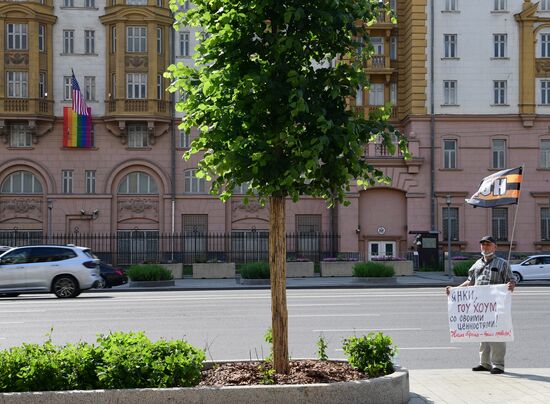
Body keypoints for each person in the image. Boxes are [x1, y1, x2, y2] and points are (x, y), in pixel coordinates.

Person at [445, 235, 515, 374]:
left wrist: (511, 285)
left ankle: (498, 365)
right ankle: (484, 363)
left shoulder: (502, 263)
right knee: (482, 333)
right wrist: (455, 289)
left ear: (495, 247)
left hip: (496, 305)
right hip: (480, 307)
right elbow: (470, 281)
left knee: (497, 334)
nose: (485, 247)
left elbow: (511, 280)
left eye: (488, 244)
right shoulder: (477, 264)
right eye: (483, 244)